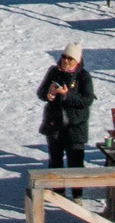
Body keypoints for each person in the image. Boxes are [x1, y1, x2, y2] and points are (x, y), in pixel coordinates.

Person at [36, 41, 94, 192]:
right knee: (55, 161)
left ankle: (77, 194)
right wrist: (48, 94)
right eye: (64, 57)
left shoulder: (83, 76)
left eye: (70, 58)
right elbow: (41, 92)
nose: (66, 61)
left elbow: (87, 100)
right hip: (55, 123)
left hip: (75, 126)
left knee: (76, 162)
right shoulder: (53, 72)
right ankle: (58, 193)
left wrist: (67, 95)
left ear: (77, 61)